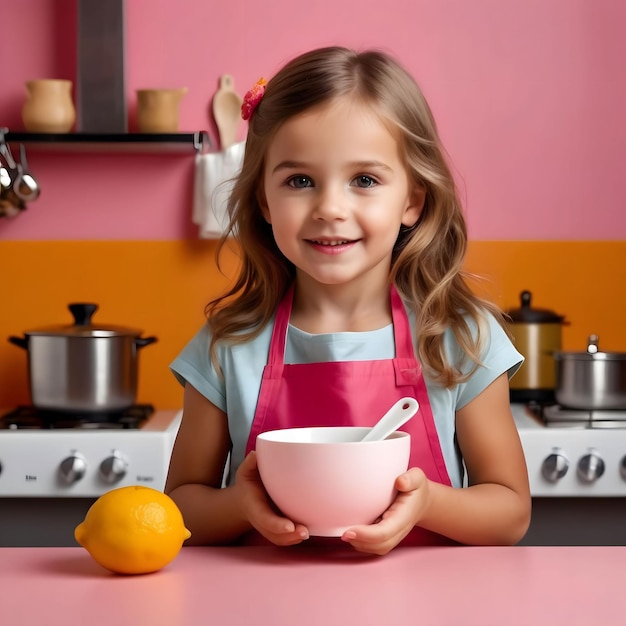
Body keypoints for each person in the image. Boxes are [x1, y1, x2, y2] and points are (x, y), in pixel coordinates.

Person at [165, 46, 531, 554]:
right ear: (265, 202)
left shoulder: (460, 338)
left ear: (412, 200)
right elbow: (179, 506)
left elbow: (509, 513)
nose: (330, 208)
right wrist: (239, 505)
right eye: (300, 181)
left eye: (364, 180)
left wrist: (427, 504)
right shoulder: (228, 345)